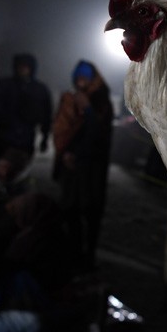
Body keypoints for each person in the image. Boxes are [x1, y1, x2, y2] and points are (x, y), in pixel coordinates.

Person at [52, 60, 114, 271]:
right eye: (77, 78)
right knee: (70, 209)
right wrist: (65, 155)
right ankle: (74, 253)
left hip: (92, 168)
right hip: (73, 169)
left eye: (84, 78)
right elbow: (63, 128)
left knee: (91, 212)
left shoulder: (100, 100)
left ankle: (88, 257)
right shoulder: (71, 99)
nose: (80, 82)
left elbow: (98, 134)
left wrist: (87, 110)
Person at [0, 53, 53, 173]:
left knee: (20, 173)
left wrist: (45, 137)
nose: (23, 69)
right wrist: (6, 116)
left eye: (26, 66)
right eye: (20, 66)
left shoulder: (40, 89)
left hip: (26, 139)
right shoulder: (4, 85)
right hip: (3, 138)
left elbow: (46, 114)